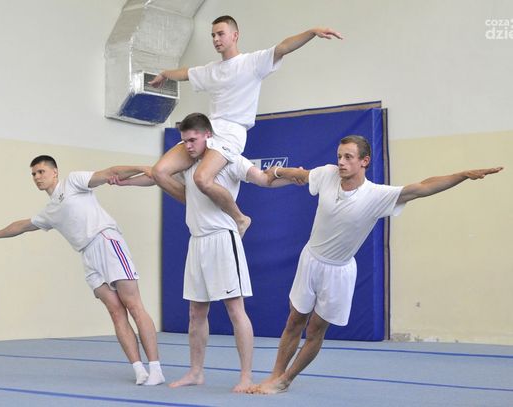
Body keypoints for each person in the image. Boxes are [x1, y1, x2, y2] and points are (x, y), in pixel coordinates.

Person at [247, 135, 503, 394]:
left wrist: (462, 175)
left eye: (348, 157)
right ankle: (275, 374)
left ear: (364, 161)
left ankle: (285, 380)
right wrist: (277, 171)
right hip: (310, 260)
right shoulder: (327, 174)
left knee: (315, 330)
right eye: (339, 156)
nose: (341, 162)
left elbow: (423, 187)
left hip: (338, 271)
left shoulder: (377, 195)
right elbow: (301, 175)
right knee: (294, 321)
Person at [113, 112, 291, 392]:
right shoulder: (189, 164)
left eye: (193, 140)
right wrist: (126, 182)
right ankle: (196, 372)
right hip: (197, 242)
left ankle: (246, 376)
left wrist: (294, 176)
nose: (188, 146)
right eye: (184, 141)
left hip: (223, 238)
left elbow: (263, 179)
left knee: (235, 309)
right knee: (196, 313)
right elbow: (154, 175)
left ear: (208, 135)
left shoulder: (229, 158)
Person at [0, 157, 166, 386]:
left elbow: (110, 172)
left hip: (105, 240)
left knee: (134, 305)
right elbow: (22, 226)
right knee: (116, 312)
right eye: (33, 174)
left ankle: (156, 369)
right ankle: (139, 370)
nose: (37, 177)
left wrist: (141, 168)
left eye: (41, 171)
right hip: (87, 255)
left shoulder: (73, 181)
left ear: (55, 172)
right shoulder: (49, 211)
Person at [148, 15, 343, 237]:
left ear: (235, 35)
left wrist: (312, 32)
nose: (216, 39)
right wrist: (165, 74)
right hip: (210, 131)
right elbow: (185, 73)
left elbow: (283, 47)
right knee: (159, 172)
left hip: (231, 132)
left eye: (220, 34)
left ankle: (240, 218)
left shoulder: (252, 63)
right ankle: (197, 205)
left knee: (201, 178)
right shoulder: (211, 70)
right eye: (213, 35)